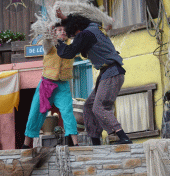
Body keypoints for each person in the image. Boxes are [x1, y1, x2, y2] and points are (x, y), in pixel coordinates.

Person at [55, 9, 133, 145]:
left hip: (111, 73)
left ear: (75, 30)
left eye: (72, 35)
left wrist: (57, 42)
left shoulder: (84, 35)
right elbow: (77, 20)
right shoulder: (93, 27)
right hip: (109, 73)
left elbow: (68, 52)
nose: (73, 38)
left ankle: (122, 136)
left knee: (99, 107)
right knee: (89, 106)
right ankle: (95, 141)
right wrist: (64, 17)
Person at [22, 23, 78, 149]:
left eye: (64, 29)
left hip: (63, 84)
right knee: (35, 112)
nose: (62, 31)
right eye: (59, 30)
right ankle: (26, 145)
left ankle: (75, 143)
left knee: (68, 112)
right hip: (47, 83)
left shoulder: (72, 44)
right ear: (55, 32)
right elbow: (47, 43)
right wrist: (48, 34)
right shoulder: (50, 44)